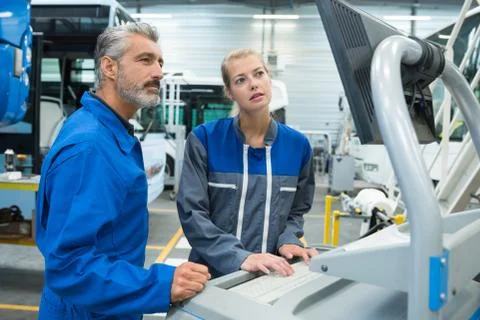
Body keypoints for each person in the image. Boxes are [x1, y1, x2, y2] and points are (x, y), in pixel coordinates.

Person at [35, 23, 210, 319]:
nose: (158, 72)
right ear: (110, 67)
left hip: (107, 304)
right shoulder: (91, 146)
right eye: (145, 60)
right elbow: (69, 266)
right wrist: (163, 283)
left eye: (160, 62)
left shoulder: (110, 132)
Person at [177, 48, 317, 278]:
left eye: (259, 74)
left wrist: (288, 239)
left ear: (269, 78)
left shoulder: (298, 146)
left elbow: (297, 210)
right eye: (241, 80)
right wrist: (240, 257)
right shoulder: (204, 140)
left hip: (271, 274)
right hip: (211, 275)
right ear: (229, 92)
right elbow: (193, 215)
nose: (253, 84)